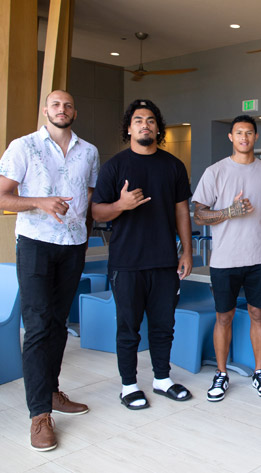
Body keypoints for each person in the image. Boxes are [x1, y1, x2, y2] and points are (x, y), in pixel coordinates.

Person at [0, 90, 98, 451]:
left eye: (69, 104)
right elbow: (2, 195)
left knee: (58, 324)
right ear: (45, 110)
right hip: (36, 244)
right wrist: (39, 201)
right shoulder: (23, 146)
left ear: (75, 111)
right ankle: (39, 414)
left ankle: (52, 390)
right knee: (39, 326)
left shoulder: (89, 151)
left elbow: (88, 198)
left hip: (73, 246)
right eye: (56, 104)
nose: (62, 109)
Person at [92, 99, 194, 410]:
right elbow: (96, 211)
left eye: (150, 120)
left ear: (158, 128)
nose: (145, 125)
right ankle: (128, 386)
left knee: (164, 325)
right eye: (138, 120)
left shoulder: (173, 165)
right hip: (127, 262)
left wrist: (187, 250)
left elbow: (181, 212)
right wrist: (120, 206)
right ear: (129, 127)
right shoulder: (115, 166)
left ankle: (162, 379)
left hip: (164, 260)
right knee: (129, 327)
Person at [192, 115, 261, 400]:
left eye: (249, 133)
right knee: (224, 317)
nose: (244, 137)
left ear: (256, 137)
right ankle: (221, 374)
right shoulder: (215, 171)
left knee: (258, 314)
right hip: (224, 260)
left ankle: (259, 372)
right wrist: (229, 212)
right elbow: (199, 214)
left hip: (259, 258)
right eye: (239, 133)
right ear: (230, 137)